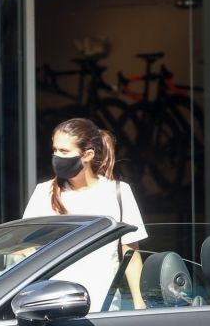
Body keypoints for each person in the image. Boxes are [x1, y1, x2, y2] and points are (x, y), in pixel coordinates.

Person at [23, 117, 147, 311]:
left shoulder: (118, 193)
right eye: (55, 150)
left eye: (64, 151)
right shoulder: (44, 192)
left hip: (103, 306)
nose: (57, 156)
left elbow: (130, 253)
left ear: (87, 155)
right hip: (53, 304)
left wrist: (140, 302)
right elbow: (25, 249)